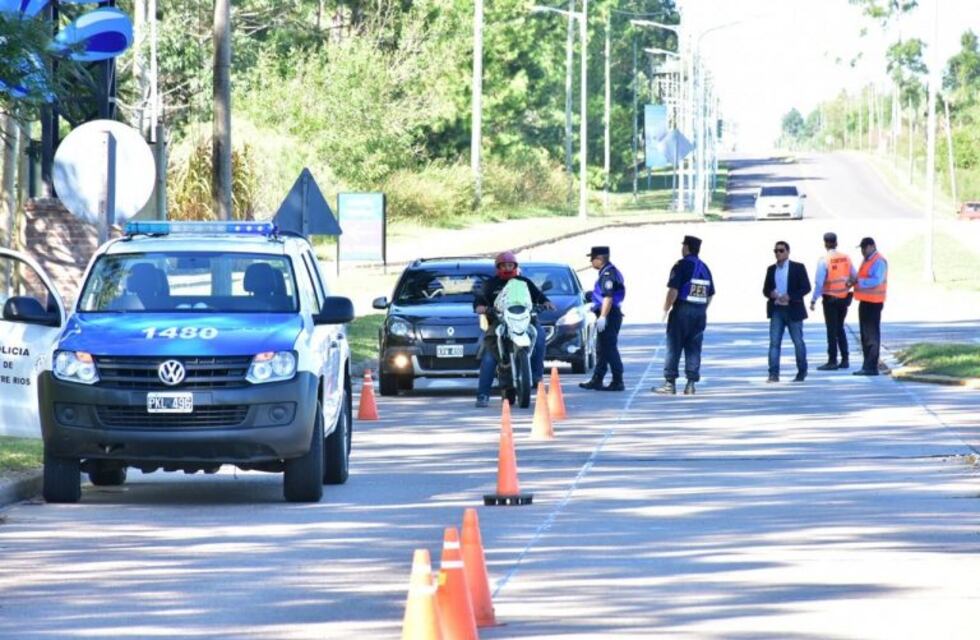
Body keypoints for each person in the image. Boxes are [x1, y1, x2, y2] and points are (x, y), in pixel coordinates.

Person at [473, 251, 554, 407]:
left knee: (540, 335)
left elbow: (539, 296)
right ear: (498, 267)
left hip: (525, 320)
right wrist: (481, 307)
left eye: (510, 265)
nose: (508, 268)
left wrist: (546, 303)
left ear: (515, 266)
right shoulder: (490, 284)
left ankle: (537, 377)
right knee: (489, 356)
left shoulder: (523, 282)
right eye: (504, 265)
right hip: (500, 322)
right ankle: (483, 394)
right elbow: (479, 301)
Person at [654, 235, 714, 395]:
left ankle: (669, 383)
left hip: (682, 310)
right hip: (700, 312)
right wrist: (701, 310)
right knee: (694, 348)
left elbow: (673, 290)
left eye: (683, 246)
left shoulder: (681, 265)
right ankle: (691, 384)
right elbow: (710, 294)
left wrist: (665, 309)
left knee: (674, 347)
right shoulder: (705, 268)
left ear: (686, 247)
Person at [762, 240, 811, 383]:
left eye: (781, 250)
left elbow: (806, 287)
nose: (778, 253)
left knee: (798, 342)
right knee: (774, 343)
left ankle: (802, 371)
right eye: (776, 251)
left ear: (788, 252)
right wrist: (771, 294)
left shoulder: (798, 267)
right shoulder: (771, 269)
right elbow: (765, 289)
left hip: (793, 309)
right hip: (777, 309)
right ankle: (773, 374)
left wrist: (790, 296)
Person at [579, 246, 626, 392]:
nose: (591, 262)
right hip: (606, 313)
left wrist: (603, 316)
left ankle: (618, 381)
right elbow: (600, 295)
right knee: (602, 348)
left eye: (592, 259)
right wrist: (590, 297)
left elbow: (608, 297)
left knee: (610, 348)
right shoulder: (606, 272)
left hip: (609, 315)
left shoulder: (608, 274)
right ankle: (597, 379)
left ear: (599, 259)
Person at [809, 232, 856, 370]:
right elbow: (855, 276)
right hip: (844, 299)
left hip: (830, 299)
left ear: (825, 243)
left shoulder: (824, 260)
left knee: (831, 330)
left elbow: (819, 282)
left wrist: (813, 299)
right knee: (840, 328)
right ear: (836, 242)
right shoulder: (846, 258)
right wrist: (848, 286)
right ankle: (845, 359)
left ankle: (832, 360)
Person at [851, 237, 888, 376]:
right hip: (865, 301)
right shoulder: (867, 260)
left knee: (871, 336)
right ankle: (866, 365)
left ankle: (871, 366)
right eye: (861, 248)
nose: (862, 251)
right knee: (865, 336)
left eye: (864, 247)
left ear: (872, 246)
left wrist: (859, 281)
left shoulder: (878, 260)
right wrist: (854, 281)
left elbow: (876, 280)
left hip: (874, 302)